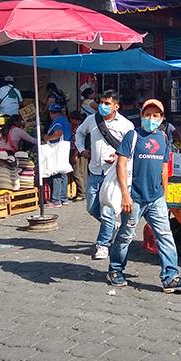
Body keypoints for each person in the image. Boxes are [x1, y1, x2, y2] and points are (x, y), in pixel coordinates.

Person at [108, 98, 181, 293]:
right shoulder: (132, 136)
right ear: (141, 116)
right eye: (148, 115)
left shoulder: (162, 138)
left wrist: (165, 192)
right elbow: (120, 164)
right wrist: (124, 195)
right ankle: (115, 269)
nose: (151, 119)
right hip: (134, 197)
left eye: (156, 115)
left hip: (156, 198)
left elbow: (164, 167)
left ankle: (171, 277)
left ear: (162, 118)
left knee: (165, 236)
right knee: (126, 235)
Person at [75, 90, 133, 260]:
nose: (103, 106)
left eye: (107, 104)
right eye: (101, 102)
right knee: (92, 207)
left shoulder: (126, 125)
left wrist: (117, 155)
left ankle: (103, 245)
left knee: (107, 210)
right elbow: (79, 133)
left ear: (116, 106)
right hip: (94, 170)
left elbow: (130, 149)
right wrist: (82, 150)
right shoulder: (92, 119)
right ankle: (113, 227)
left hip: (113, 174)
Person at [45, 103, 72, 208]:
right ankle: (63, 198)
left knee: (55, 172)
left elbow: (58, 133)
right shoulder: (65, 120)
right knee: (63, 172)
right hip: (65, 147)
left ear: (51, 113)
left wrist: (47, 138)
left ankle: (56, 199)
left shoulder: (57, 121)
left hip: (57, 148)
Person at [69, 112, 87, 202]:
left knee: (77, 172)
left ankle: (81, 193)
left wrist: (75, 154)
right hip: (82, 152)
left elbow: (77, 142)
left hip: (77, 151)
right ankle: (84, 192)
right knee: (83, 172)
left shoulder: (77, 128)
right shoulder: (81, 127)